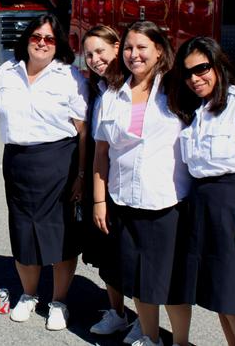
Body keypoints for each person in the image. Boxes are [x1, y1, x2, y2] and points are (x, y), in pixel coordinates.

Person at [0, 14, 88, 331]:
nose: (42, 43)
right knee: (22, 229)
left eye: (49, 38)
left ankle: (58, 302)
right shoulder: (6, 72)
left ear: (58, 45)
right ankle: (29, 295)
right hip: (17, 161)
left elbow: (82, 131)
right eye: (36, 37)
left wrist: (81, 176)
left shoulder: (69, 77)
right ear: (27, 39)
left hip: (58, 160)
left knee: (61, 233)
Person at [168, 37, 235, 346]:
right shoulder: (198, 109)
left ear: (218, 64)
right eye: (187, 73)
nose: (195, 78)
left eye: (202, 69)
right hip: (203, 204)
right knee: (220, 297)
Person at [93, 21, 192, 346]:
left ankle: (179, 341)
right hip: (123, 201)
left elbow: (217, 92)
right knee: (137, 277)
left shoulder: (177, 88)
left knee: (172, 283)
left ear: (159, 50)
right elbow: (101, 153)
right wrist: (99, 200)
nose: (134, 54)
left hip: (168, 202)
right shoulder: (112, 95)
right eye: (129, 48)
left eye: (142, 47)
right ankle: (150, 336)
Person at [82, 25, 141, 343]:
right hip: (102, 178)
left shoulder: (139, 83)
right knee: (108, 253)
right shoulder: (97, 87)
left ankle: (142, 320)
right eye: (89, 54)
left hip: (134, 179)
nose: (95, 59)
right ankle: (117, 313)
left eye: (101, 51)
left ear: (117, 47)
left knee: (134, 254)